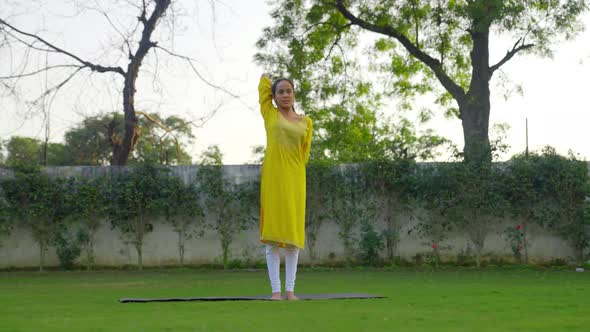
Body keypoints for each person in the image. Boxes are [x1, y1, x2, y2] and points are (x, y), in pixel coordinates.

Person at [258, 73, 313, 301]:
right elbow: (262, 88)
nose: (284, 95)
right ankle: (275, 292)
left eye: (288, 91)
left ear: (294, 94)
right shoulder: (270, 114)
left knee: (292, 238)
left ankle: (290, 291)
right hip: (273, 178)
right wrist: (270, 81)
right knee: (272, 239)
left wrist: (295, 171)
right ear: (274, 95)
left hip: (295, 179)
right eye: (280, 92)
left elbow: (304, 153)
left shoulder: (306, 122)